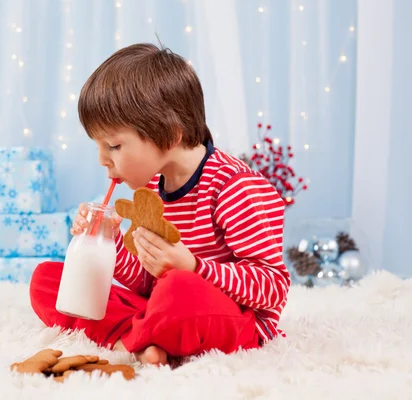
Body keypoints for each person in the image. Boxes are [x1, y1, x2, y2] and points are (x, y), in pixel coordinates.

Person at [29, 42, 290, 366]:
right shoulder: (153, 185)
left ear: (169, 136)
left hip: (235, 322)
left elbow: (273, 287)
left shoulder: (234, 187)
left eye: (113, 145)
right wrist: (111, 246)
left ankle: (135, 339)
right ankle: (147, 338)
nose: (101, 160)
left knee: (179, 288)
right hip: (164, 306)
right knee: (49, 280)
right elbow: (146, 282)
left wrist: (195, 268)